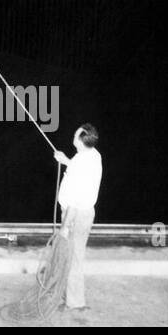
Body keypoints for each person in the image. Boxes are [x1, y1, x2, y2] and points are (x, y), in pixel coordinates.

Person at [53, 123, 102, 311]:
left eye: (75, 135)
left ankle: (73, 302)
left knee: (72, 259)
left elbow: (74, 202)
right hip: (85, 213)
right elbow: (79, 170)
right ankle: (71, 297)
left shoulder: (81, 163)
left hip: (74, 215)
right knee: (74, 256)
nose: (73, 136)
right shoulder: (92, 155)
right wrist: (66, 160)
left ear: (81, 141)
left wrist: (65, 227)